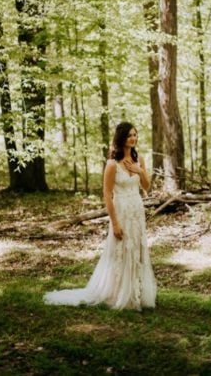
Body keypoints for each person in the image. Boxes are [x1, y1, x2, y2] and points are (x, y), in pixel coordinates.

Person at [44, 122, 157, 311]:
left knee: (137, 249)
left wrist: (140, 171)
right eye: (129, 135)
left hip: (137, 211)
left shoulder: (140, 160)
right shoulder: (112, 164)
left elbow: (146, 187)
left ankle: (135, 292)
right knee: (120, 251)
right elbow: (107, 193)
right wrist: (114, 223)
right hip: (121, 211)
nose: (133, 138)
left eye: (135, 135)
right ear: (121, 138)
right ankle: (116, 294)